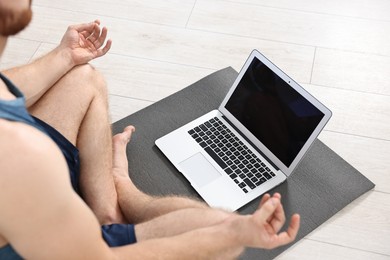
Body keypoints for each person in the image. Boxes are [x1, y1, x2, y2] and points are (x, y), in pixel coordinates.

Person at [0, 0, 300, 259]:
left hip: (25, 188)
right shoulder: (23, 157)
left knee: (84, 78)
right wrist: (231, 236)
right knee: (224, 234)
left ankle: (110, 212)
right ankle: (120, 189)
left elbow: (6, 90)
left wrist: (65, 55)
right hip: (47, 242)